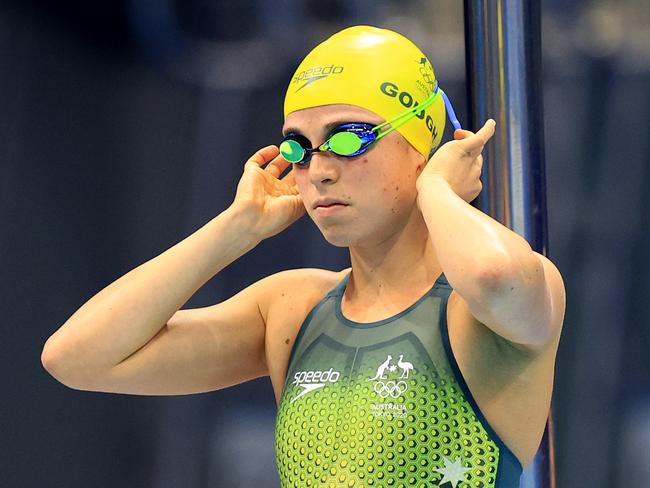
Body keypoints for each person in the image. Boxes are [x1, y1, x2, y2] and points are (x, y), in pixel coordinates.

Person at [41, 25, 565, 487]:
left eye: (350, 137)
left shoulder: (485, 306)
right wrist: (232, 230)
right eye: (298, 146)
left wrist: (438, 192)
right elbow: (77, 358)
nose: (318, 169)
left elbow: (495, 275)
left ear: (424, 143)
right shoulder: (293, 308)